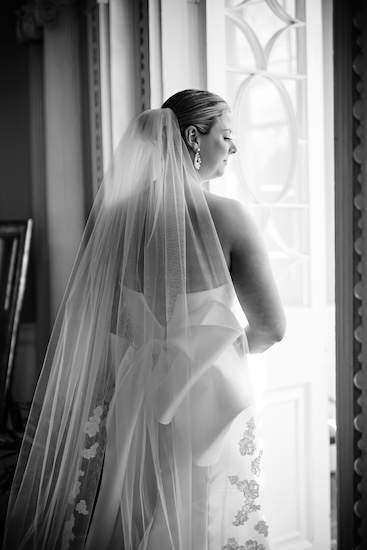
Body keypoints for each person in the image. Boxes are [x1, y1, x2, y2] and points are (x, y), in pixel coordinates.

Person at [2, 89, 286, 550]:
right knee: (203, 517)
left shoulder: (115, 219)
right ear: (194, 137)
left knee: (131, 513)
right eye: (227, 136)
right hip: (210, 403)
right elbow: (272, 327)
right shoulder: (230, 218)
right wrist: (207, 354)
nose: (233, 149)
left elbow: (109, 324)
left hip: (134, 394)